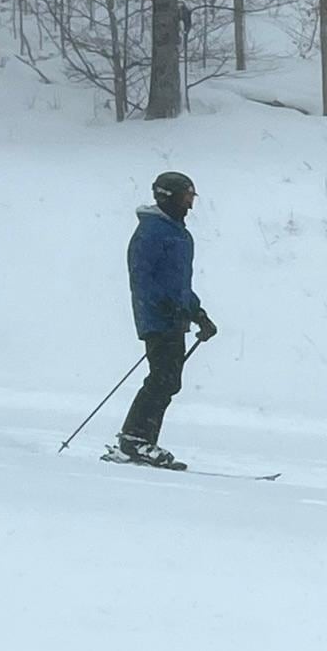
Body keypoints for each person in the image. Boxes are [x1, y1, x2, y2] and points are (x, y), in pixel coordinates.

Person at [111, 171, 216, 468]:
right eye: (185, 198)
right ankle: (135, 440)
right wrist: (166, 306)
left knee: (169, 381)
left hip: (175, 318)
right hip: (156, 318)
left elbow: (179, 284)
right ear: (167, 197)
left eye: (191, 198)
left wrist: (198, 313)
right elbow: (142, 278)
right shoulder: (151, 232)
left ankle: (140, 440)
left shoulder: (179, 234)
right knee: (162, 379)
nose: (189, 205)